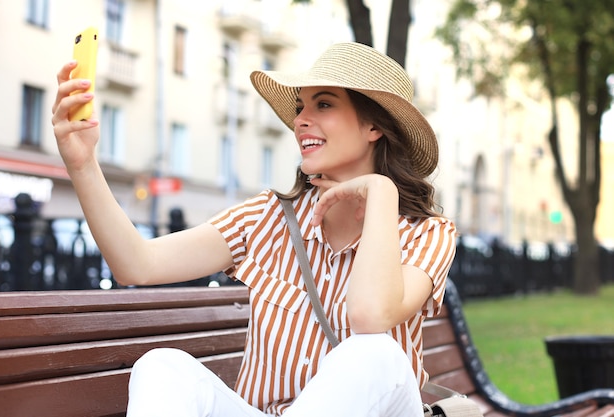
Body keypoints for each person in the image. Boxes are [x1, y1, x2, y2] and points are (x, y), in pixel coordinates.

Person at [52, 42, 456, 417]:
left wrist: (381, 194)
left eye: (324, 104)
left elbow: (370, 316)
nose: (301, 121)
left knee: (376, 354)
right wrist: (83, 164)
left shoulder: (428, 234)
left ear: (374, 126)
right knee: (163, 366)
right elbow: (137, 265)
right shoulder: (267, 218)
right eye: (300, 107)